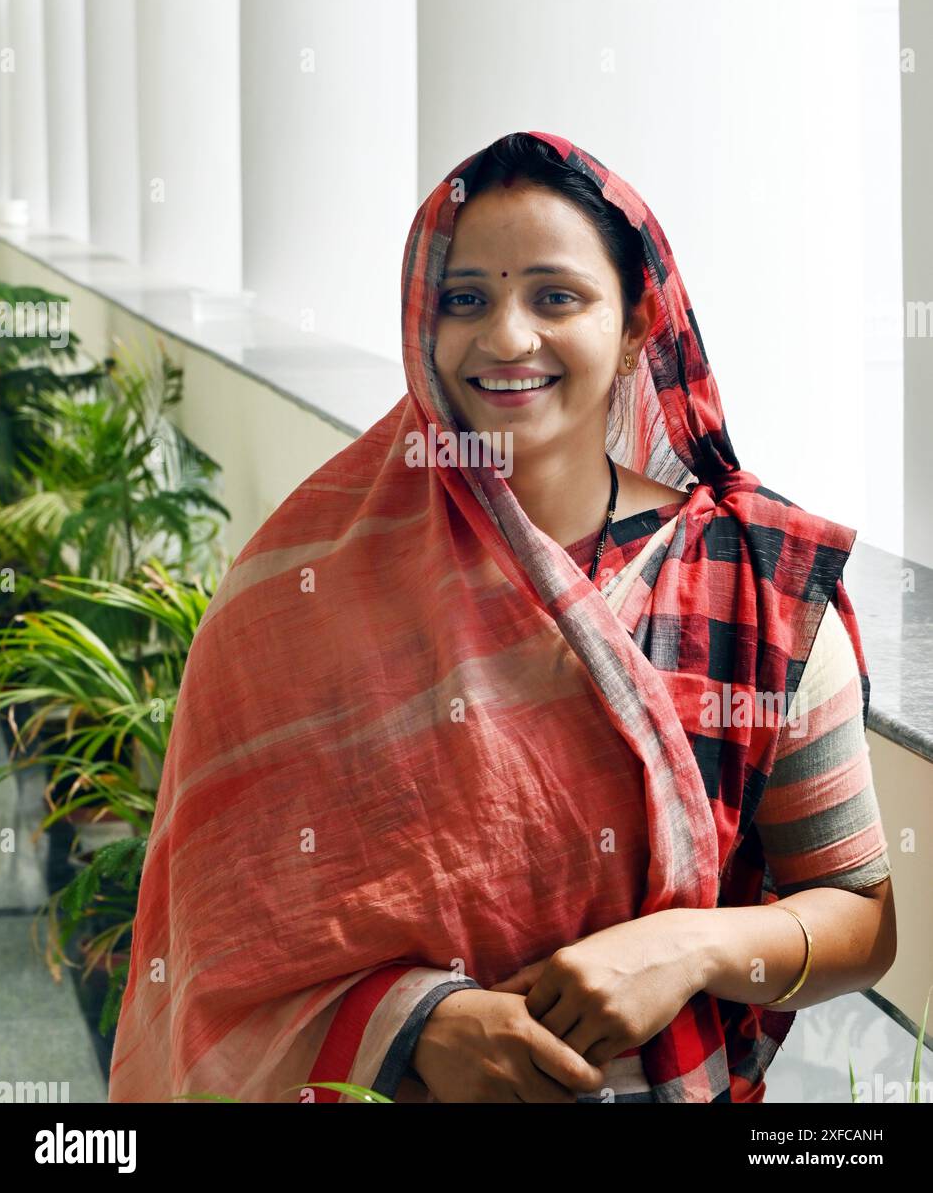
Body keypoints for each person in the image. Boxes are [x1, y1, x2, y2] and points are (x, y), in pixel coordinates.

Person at [107, 131, 895, 1105]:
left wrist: (687, 948)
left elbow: (860, 916)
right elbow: (222, 945)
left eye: (556, 297)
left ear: (641, 322)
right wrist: (410, 1024)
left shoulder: (754, 585)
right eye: (465, 298)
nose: (508, 338)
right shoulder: (299, 589)